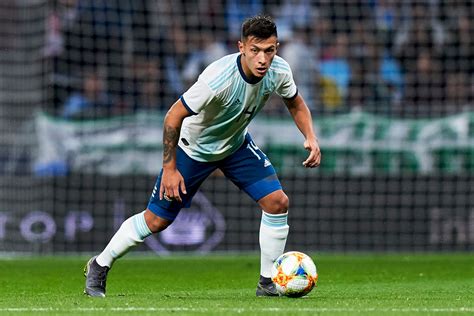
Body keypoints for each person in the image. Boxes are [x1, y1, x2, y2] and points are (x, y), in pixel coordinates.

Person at [84, 15, 321, 298]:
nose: (262, 59)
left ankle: (268, 282)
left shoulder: (280, 71)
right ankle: (99, 265)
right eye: (255, 50)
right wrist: (170, 169)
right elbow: (173, 117)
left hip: (235, 147)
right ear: (241, 47)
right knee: (157, 221)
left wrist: (310, 136)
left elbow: (295, 102)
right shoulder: (217, 78)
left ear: (277, 49)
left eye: (269, 51)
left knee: (277, 201)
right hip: (192, 150)